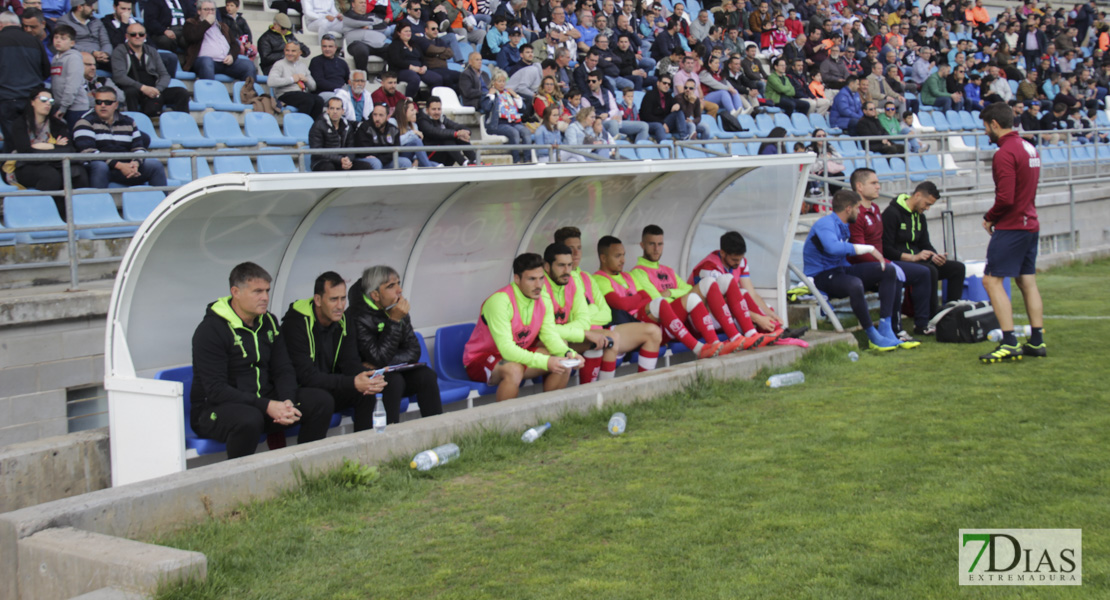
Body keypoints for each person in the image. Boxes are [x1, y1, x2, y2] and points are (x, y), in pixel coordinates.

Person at [191, 262, 334, 459]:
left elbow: (283, 369)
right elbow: (216, 391)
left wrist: (287, 402)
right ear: (236, 292)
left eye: (267, 290)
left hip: (263, 404)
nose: (265, 297)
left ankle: (306, 468)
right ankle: (242, 482)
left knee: (320, 401)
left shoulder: (269, 322)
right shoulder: (210, 330)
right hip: (214, 411)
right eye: (257, 291)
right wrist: (267, 405)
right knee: (249, 419)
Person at [462, 252, 582, 402]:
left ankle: (548, 413)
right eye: (531, 279)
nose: (538, 285)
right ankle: (506, 422)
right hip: (480, 359)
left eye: (541, 278)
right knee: (514, 370)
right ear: (517, 279)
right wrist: (546, 362)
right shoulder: (499, 301)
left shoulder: (543, 298)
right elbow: (506, 349)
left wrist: (569, 353)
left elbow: (549, 335)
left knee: (562, 362)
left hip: (517, 354)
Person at [978, 102, 1046, 363]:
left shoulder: (1005, 153)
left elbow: (1005, 197)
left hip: (1013, 225)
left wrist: (989, 218)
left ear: (995, 124)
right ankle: (1037, 340)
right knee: (1027, 280)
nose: (985, 132)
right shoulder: (1029, 146)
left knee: (991, 280)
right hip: (1031, 222)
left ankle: (1009, 342)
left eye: (986, 127)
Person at [281, 272, 387, 432]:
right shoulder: (296, 324)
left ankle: (366, 448)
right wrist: (352, 382)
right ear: (318, 300)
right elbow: (306, 376)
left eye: (343, 298)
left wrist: (370, 377)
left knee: (368, 391)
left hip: (327, 385)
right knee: (323, 400)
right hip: (300, 390)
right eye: (333, 299)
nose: (340, 306)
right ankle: (310, 456)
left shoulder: (344, 320)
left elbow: (350, 363)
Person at [553, 227, 664, 378]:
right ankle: (602, 391)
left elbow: (606, 314)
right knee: (608, 338)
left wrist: (587, 314)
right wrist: (590, 312)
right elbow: (572, 317)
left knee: (653, 332)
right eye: (570, 249)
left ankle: (646, 384)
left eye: (579, 248)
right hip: (579, 335)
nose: (576, 253)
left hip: (600, 329)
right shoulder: (560, 280)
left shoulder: (586, 277)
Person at [803, 189, 903, 351]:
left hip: (841, 270)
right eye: (857, 208)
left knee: (888, 270)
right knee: (855, 284)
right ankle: (873, 336)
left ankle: (886, 326)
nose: (859, 211)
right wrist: (869, 249)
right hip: (821, 276)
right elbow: (833, 248)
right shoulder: (825, 223)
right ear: (849, 208)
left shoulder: (844, 225)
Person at [594, 234, 723, 359]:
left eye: (623, 255)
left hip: (656, 318)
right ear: (604, 258)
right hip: (633, 322)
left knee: (694, 296)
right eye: (618, 256)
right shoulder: (600, 278)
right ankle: (700, 348)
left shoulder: (628, 275)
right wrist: (638, 298)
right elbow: (622, 305)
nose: (623, 260)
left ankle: (717, 343)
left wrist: (670, 293)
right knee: (661, 303)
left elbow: (648, 298)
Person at [346, 265, 444, 423]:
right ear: (375, 295)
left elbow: (413, 351)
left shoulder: (396, 307)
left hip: (387, 369)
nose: (399, 290)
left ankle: (437, 430)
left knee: (426, 375)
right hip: (364, 378)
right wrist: (394, 320)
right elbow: (379, 357)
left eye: (398, 283)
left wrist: (386, 365)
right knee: (393, 381)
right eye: (391, 286)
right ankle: (390, 437)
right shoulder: (357, 316)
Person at [848, 168, 931, 342]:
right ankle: (894, 328)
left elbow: (881, 243)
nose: (878, 186)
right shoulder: (855, 212)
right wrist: (886, 262)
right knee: (893, 274)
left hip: (881, 261)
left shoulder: (876, 208)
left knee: (923, 272)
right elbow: (859, 250)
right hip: (862, 265)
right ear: (859, 187)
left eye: (878, 182)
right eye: (873, 183)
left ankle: (922, 325)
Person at [881, 181, 966, 320]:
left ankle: (952, 313)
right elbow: (886, 249)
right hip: (900, 262)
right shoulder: (891, 214)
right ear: (918, 195)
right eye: (927, 204)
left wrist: (935, 255)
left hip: (919, 260)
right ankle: (932, 315)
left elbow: (925, 243)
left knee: (958, 268)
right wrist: (913, 257)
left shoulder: (920, 216)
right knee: (929, 271)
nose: (927, 208)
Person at [688, 231, 790, 344]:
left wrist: (770, 314)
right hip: (704, 315)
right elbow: (719, 305)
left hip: (724, 311)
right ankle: (766, 334)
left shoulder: (740, 262)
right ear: (722, 253)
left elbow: (752, 294)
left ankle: (773, 332)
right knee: (745, 302)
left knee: (761, 305)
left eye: (741, 259)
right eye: (735, 260)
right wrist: (758, 318)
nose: (738, 263)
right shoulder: (709, 268)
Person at [8, 88, 90, 213]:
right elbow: (26, 153)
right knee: (51, 176)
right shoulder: (20, 124)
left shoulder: (58, 124)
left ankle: (79, 215)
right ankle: (40, 213)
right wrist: (57, 148)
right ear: (32, 102)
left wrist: (48, 146)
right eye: (43, 100)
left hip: (53, 164)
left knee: (78, 172)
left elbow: (69, 150)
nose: (47, 103)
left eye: (50, 101)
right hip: (25, 166)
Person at [73, 88, 167, 188]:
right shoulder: (84, 122)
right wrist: (120, 165)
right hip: (101, 168)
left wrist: (135, 163)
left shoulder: (128, 121)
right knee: (100, 166)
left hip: (125, 166)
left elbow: (139, 148)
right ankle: (98, 202)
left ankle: (163, 202)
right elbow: (89, 152)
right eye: (99, 102)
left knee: (155, 166)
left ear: (116, 105)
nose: (103, 105)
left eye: (108, 102)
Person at [110, 22, 191, 117]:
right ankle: (134, 122)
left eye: (141, 34)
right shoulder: (119, 51)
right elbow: (119, 76)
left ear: (145, 36)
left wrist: (157, 89)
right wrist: (143, 88)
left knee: (182, 92)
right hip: (135, 89)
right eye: (133, 34)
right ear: (127, 36)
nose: (137, 36)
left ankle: (182, 122)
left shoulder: (151, 51)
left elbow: (164, 74)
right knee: (130, 92)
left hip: (154, 89)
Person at [1, 9, 51, 153]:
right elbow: (45, 71)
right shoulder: (34, 41)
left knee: (12, 142)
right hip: (32, 99)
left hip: (6, 99)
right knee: (33, 140)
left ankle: (12, 173)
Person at [184, 0, 255, 81]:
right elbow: (192, 37)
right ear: (199, 11)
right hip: (204, 61)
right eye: (206, 9)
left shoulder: (222, 26)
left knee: (248, 65)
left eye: (213, 10)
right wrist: (206, 23)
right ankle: (210, 92)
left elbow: (234, 44)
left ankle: (249, 93)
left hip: (225, 62)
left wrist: (232, 56)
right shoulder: (191, 23)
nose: (210, 12)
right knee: (206, 62)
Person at [481, 67, 532, 163]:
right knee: (514, 133)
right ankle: (516, 161)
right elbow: (486, 107)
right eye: (499, 81)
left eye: (504, 81)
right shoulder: (487, 94)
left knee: (526, 131)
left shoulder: (508, 93)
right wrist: (491, 95)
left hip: (513, 122)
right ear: (493, 82)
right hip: (498, 124)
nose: (502, 84)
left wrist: (516, 96)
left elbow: (522, 108)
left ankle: (527, 160)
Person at [308, 96, 371, 171]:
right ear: (327, 110)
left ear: (343, 111)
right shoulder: (318, 125)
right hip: (321, 162)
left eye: (338, 109)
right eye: (332, 108)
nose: (335, 111)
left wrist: (348, 160)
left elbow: (351, 148)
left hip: (342, 161)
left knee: (365, 166)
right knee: (329, 167)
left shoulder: (347, 126)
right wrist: (340, 159)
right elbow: (317, 151)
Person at [416, 96, 476, 166]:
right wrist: (456, 133)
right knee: (448, 138)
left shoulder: (442, 118)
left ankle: (475, 160)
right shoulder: (422, 120)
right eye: (433, 109)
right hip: (429, 155)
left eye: (439, 109)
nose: (437, 112)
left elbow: (456, 126)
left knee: (460, 137)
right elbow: (434, 132)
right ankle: (464, 163)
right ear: (427, 110)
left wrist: (466, 132)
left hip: (443, 154)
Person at [269, 41, 323, 119]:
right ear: (284, 51)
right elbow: (271, 81)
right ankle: (300, 125)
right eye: (287, 50)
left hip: (301, 94)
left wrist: (306, 80)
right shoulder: (279, 64)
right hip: (285, 94)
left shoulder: (302, 66)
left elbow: (313, 87)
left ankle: (313, 127)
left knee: (319, 100)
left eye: (293, 51)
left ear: (299, 52)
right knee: (308, 100)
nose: (289, 53)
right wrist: (291, 79)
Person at [49, 24, 87, 128]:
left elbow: (72, 85)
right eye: (56, 37)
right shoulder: (55, 58)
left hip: (76, 108)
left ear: (72, 43)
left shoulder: (73, 58)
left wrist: (63, 107)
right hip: (61, 107)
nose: (58, 41)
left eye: (63, 38)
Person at [352, 103, 412, 169]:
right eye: (375, 115)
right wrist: (383, 156)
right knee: (376, 162)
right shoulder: (365, 127)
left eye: (381, 115)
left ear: (388, 117)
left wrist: (381, 157)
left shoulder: (394, 130)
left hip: (385, 160)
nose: (377, 118)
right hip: (366, 160)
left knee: (406, 162)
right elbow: (365, 151)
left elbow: (396, 152)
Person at [56, 0, 110, 69]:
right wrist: (92, 52)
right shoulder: (64, 22)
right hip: (80, 58)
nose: (93, 8)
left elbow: (105, 42)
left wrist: (105, 53)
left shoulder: (96, 21)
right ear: (80, 7)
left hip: (101, 58)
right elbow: (68, 44)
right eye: (90, 6)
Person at [638, 75, 690, 141]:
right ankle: (665, 148)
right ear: (658, 83)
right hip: (650, 123)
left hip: (663, 122)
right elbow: (646, 115)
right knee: (659, 126)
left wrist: (678, 105)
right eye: (664, 83)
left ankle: (684, 138)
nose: (667, 86)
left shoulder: (668, 96)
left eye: (669, 84)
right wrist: (662, 123)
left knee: (681, 115)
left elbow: (677, 104)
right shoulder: (650, 95)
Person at [392, 97, 440, 167]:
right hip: (396, 155)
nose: (415, 112)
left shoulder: (414, 125)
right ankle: (429, 169)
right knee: (416, 141)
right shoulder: (392, 122)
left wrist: (416, 159)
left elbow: (418, 148)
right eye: (412, 110)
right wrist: (412, 133)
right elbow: (395, 142)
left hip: (411, 157)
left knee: (437, 165)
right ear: (403, 111)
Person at [308, 35, 349, 100]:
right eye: (324, 46)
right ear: (321, 47)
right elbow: (319, 82)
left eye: (330, 46)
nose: (327, 49)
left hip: (341, 92)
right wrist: (339, 88)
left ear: (335, 47)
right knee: (343, 98)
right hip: (324, 93)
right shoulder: (316, 61)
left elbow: (348, 80)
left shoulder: (342, 62)